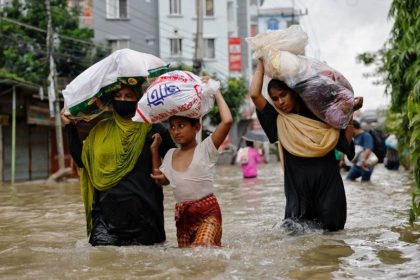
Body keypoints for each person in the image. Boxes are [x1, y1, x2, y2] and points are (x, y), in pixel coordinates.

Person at [250, 59, 362, 232]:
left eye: (283, 95)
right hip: (299, 192)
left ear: (293, 93)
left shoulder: (320, 113)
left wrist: (349, 113)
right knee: (298, 239)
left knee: (333, 239)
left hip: (328, 186)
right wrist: (261, 62)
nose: (280, 102)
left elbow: (344, 145)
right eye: (275, 99)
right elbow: (255, 95)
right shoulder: (278, 120)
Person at [61, 83, 176, 246]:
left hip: (146, 221)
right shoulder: (100, 130)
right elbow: (82, 161)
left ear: (138, 99)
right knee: (104, 266)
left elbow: (176, 162)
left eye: (129, 96)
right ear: (111, 99)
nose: (123, 99)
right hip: (105, 222)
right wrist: (69, 126)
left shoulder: (154, 129)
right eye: (118, 95)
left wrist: (166, 175)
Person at [149, 88, 233, 247]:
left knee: (201, 250)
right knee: (188, 263)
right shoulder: (170, 154)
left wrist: (216, 91)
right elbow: (160, 180)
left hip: (208, 213)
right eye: (172, 127)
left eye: (181, 125)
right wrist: (154, 150)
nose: (175, 131)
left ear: (196, 126)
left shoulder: (205, 148)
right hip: (183, 217)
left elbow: (227, 121)